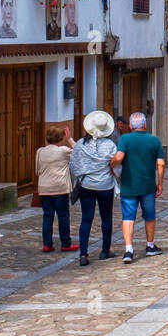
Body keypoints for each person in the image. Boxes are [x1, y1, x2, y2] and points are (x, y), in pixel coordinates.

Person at [111, 112, 165, 264]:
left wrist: (112, 164)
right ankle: (150, 245)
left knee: (128, 217)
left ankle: (129, 250)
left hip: (129, 185)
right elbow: (161, 163)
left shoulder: (125, 139)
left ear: (130, 126)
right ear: (145, 125)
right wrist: (160, 183)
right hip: (148, 185)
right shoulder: (154, 140)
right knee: (149, 216)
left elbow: (119, 157)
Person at [69, 111, 119, 266]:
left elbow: (74, 166)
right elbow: (117, 167)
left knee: (86, 219)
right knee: (106, 218)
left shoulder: (80, 144)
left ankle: (83, 254)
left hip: (86, 186)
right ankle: (105, 250)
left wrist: (84, 173)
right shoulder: (110, 145)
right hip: (105, 186)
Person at [35, 127, 78, 255]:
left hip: (44, 188)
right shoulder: (64, 151)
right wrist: (69, 138)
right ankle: (65, 243)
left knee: (47, 216)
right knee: (63, 216)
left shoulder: (40, 151)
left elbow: (37, 171)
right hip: (60, 188)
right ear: (61, 138)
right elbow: (79, 151)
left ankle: (47, 244)